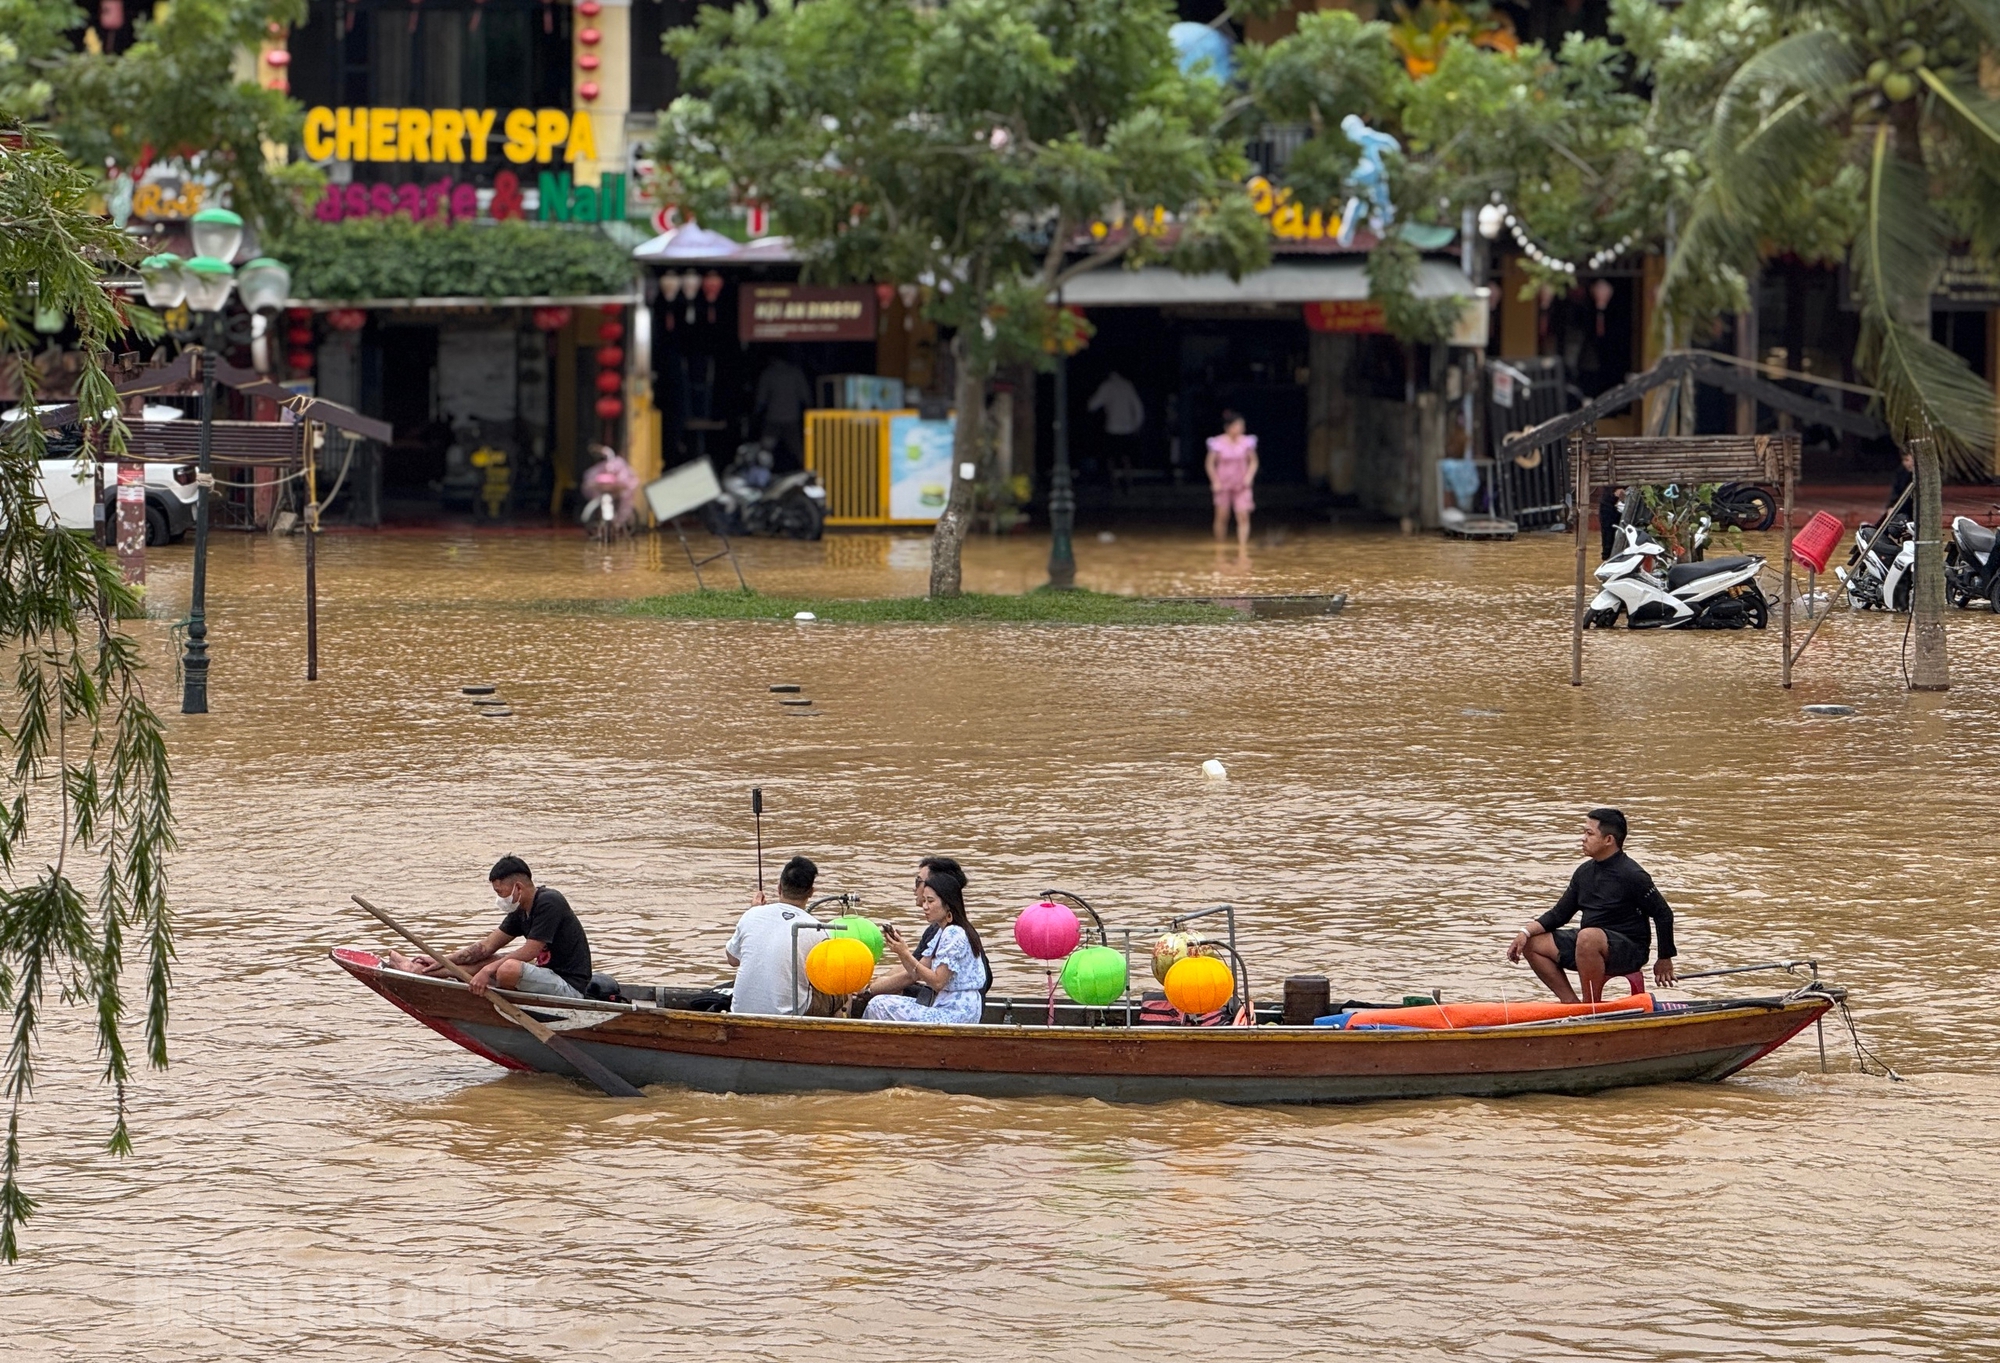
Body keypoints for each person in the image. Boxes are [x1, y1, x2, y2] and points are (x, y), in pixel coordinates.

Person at [1507, 809, 1677, 1003]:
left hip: (1628, 950)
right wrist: (1524, 933)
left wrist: (1664, 958)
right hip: (1588, 947)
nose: (1583, 839)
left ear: (1608, 840)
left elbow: (1663, 914)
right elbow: (1559, 914)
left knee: (1588, 936)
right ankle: (1571, 1004)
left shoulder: (1633, 875)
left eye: (1589, 833)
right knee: (1532, 943)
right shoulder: (1584, 873)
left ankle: (1591, 1006)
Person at [385, 855, 592, 1000]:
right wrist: (443, 960)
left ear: (517, 888)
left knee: (507, 968)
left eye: (501, 892)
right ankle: (420, 971)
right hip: (544, 977)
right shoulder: (520, 910)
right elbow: (485, 947)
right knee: (489, 960)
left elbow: (531, 951)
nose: (500, 899)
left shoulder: (549, 902)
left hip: (568, 987)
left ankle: (419, 972)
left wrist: (488, 970)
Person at [863, 871, 989, 1024]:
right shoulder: (942, 931)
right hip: (944, 1004)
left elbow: (937, 982)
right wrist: (901, 951)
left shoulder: (954, 933)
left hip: (956, 1011)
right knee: (880, 1002)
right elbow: (916, 973)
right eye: (924, 901)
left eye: (930, 901)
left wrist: (907, 955)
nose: (925, 907)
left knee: (879, 1005)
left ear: (947, 904)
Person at [724, 855, 827, 1016]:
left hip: (740, 1012)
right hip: (790, 1016)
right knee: (842, 993)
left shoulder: (751, 915)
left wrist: (753, 910)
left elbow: (732, 960)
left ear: (779, 888)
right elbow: (823, 980)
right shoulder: (819, 931)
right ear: (811, 893)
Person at [1205, 411, 1259, 549]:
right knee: (1222, 516)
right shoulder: (1217, 442)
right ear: (1229, 427)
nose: (1240, 429)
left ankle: (1242, 547)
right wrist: (1215, 481)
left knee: (1243, 515)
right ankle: (1220, 547)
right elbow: (1209, 464)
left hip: (1241, 484)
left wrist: (1249, 477)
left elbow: (1253, 461)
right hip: (1223, 483)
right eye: (1237, 426)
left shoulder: (1247, 442)